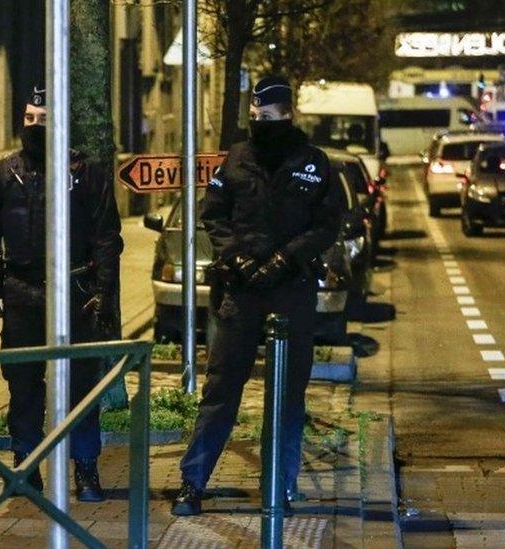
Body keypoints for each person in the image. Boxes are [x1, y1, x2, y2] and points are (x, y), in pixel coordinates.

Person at [172, 76, 344, 516]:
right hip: (242, 292)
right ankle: (192, 483)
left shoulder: (314, 162)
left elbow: (328, 224)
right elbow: (215, 215)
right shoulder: (236, 160)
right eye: (253, 116)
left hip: (292, 293)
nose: (258, 123)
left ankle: (278, 488)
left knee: (286, 397)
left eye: (266, 117)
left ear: (287, 115)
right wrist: (239, 259)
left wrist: (287, 259)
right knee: (221, 391)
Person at [0, 85, 123, 502]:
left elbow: (108, 236)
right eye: (30, 118)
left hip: (76, 292)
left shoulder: (86, 173)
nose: (36, 126)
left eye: (45, 119)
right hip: (21, 291)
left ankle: (85, 467)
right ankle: (25, 466)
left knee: (81, 386)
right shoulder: (5, 173)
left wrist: (105, 291)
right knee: (23, 385)